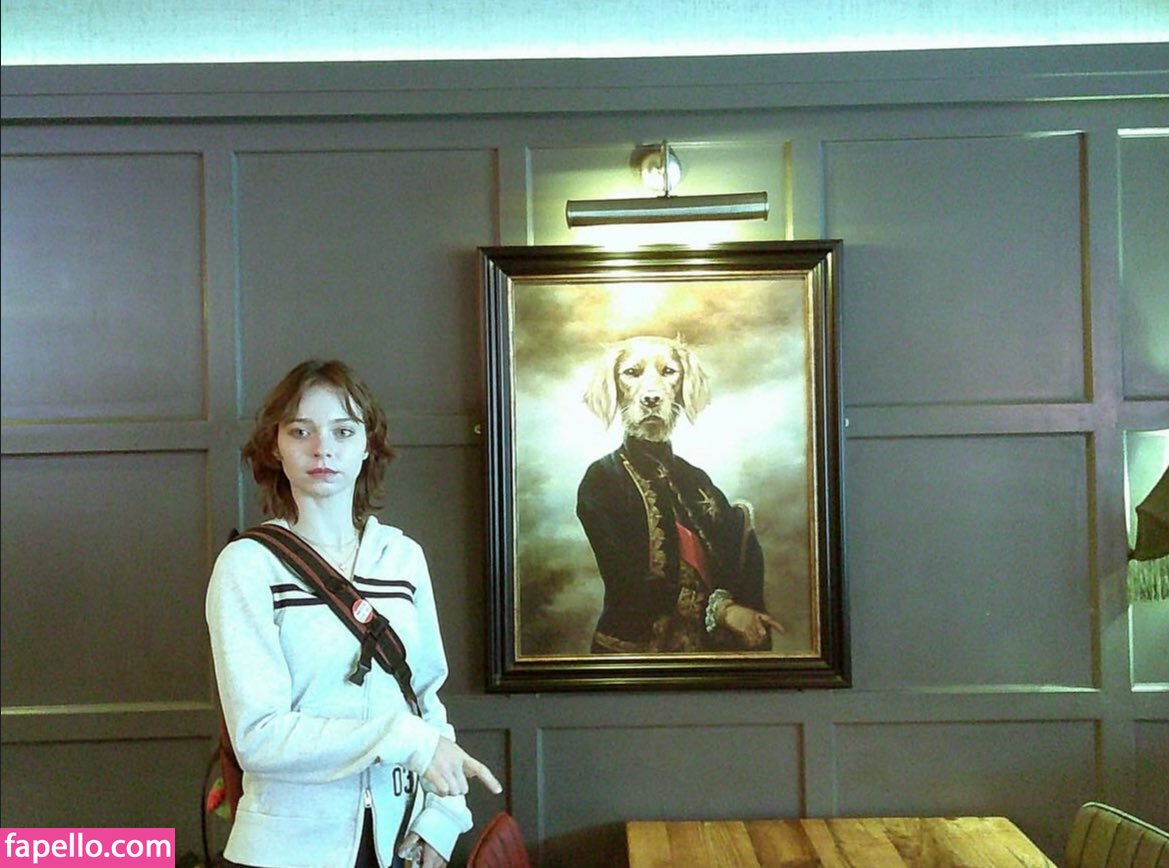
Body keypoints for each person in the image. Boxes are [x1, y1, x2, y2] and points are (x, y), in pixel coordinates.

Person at [206, 359, 500, 868]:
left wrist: (443, 818)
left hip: (394, 844)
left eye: (343, 431)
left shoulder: (402, 558)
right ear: (276, 446)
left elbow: (424, 701)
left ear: (367, 445)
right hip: (285, 852)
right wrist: (402, 739)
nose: (322, 448)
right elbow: (259, 736)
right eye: (301, 431)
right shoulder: (248, 565)